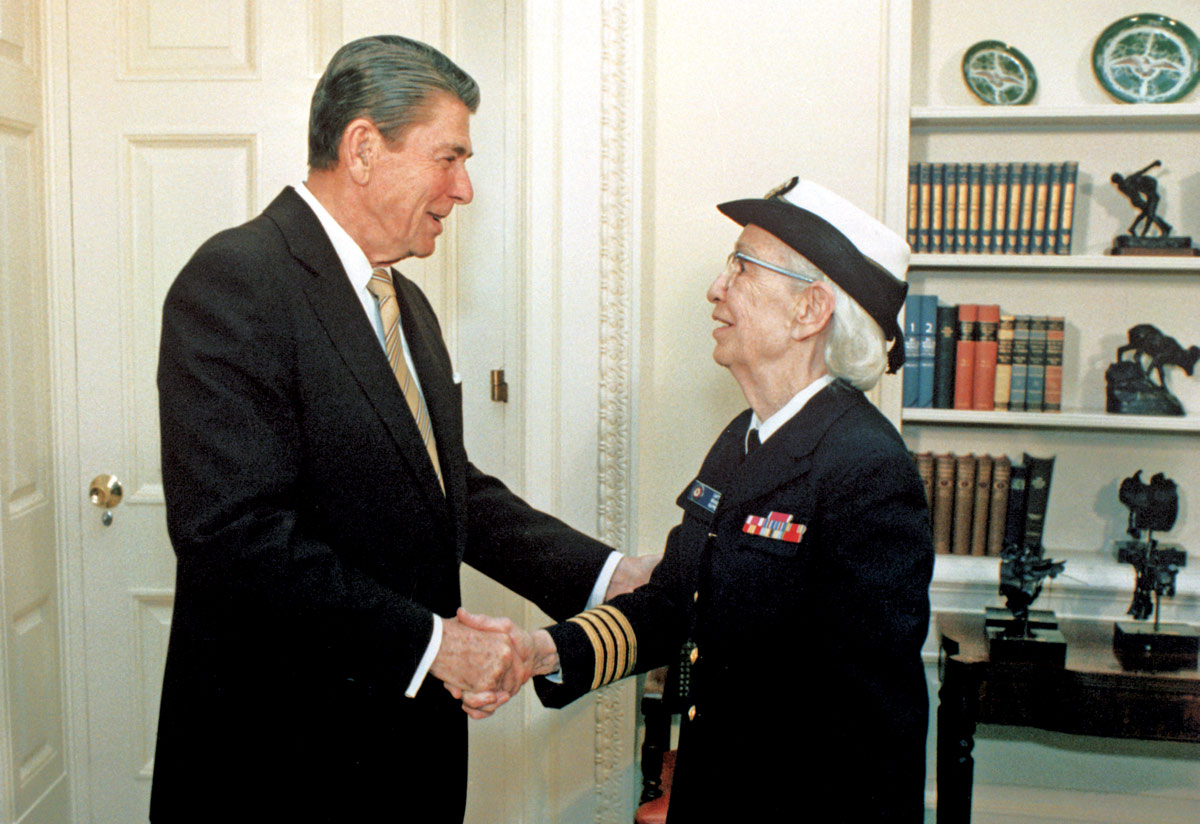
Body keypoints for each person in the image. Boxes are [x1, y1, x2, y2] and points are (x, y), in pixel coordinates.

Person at [151, 34, 652, 823]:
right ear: (361, 148)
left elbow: (452, 492)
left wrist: (606, 576)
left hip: (402, 750)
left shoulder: (405, 304)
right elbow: (232, 538)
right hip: (280, 760)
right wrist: (436, 645)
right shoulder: (237, 280)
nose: (465, 189)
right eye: (448, 157)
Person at [481, 177, 934, 821]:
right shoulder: (743, 439)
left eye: (742, 268)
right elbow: (673, 605)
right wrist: (546, 652)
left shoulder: (865, 468)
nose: (716, 289)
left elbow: (864, 724)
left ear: (810, 310)